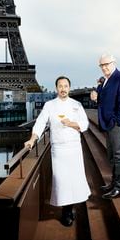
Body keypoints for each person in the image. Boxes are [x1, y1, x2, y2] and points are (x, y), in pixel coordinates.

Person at [25, 76, 90, 226]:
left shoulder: (77, 104)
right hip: (59, 149)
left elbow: (85, 124)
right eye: (60, 86)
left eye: (65, 86)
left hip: (74, 147)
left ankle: (69, 208)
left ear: (69, 88)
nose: (63, 89)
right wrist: (33, 139)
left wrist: (71, 123)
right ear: (56, 88)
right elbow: (41, 123)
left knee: (73, 179)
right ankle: (66, 211)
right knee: (61, 180)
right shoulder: (49, 105)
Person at [90, 53, 120, 199]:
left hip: (115, 123)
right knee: (112, 155)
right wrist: (95, 95)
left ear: (114, 63)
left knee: (119, 154)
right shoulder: (106, 80)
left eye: (107, 64)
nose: (104, 67)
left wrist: (117, 121)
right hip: (108, 122)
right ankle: (114, 183)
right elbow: (102, 97)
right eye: (101, 65)